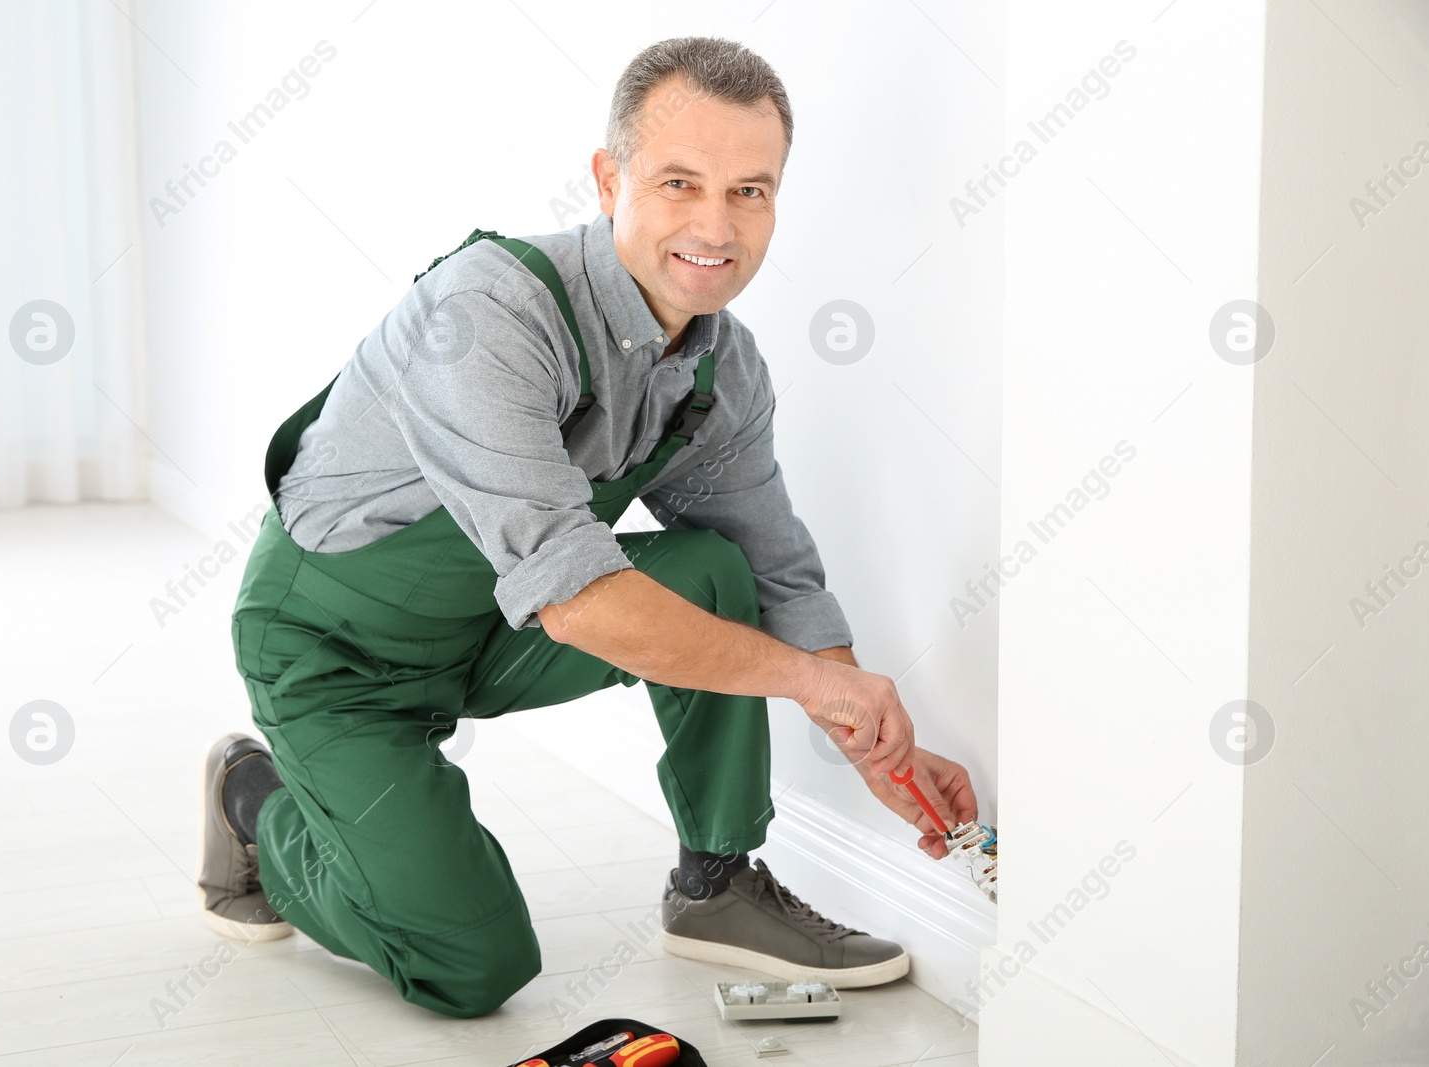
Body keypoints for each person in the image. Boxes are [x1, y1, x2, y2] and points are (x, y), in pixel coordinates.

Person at [198, 35, 978, 1019]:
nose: (715, 222)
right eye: (679, 182)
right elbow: (573, 600)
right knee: (468, 964)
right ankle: (255, 804)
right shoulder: (489, 312)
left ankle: (716, 883)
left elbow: (778, 572)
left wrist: (875, 742)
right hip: (337, 652)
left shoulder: (720, 373)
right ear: (610, 178)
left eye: (750, 190)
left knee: (716, 566)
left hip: (491, 627)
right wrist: (812, 678)